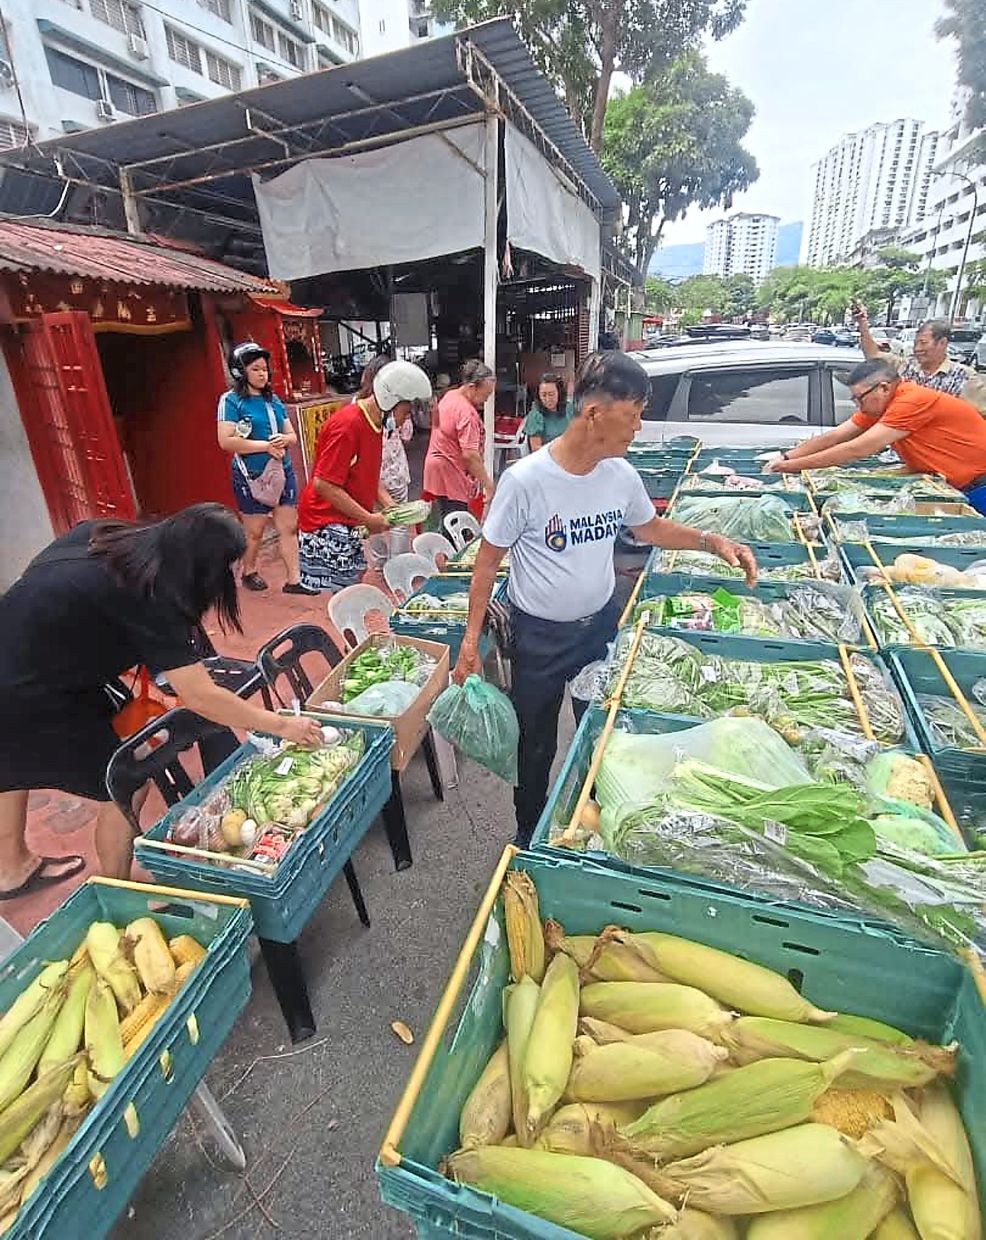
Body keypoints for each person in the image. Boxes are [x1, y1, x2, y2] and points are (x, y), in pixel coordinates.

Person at [453, 351, 757, 846]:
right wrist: (470, 639)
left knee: (605, 730)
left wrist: (711, 541)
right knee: (536, 745)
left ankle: (595, 825)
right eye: (633, 413)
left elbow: (650, 527)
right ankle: (529, 833)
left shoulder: (620, 475)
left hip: (599, 629)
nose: (638, 427)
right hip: (539, 639)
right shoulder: (526, 480)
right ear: (594, 412)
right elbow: (487, 560)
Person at [0, 504, 325, 895]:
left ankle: (10, 867)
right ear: (204, 571)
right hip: (34, 685)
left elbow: (48, 588)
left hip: (18, 649)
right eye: (232, 567)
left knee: (10, 757)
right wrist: (283, 724)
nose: (237, 575)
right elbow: (201, 696)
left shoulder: (114, 536)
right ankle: (117, 892)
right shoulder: (151, 596)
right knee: (125, 780)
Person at [770, 358, 986, 513]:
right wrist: (786, 457)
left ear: (883, 388)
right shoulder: (880, 406)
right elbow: (835, 436)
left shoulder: (911, 401)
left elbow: (857, 449)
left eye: (859, 398)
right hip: (957, 485)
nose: (857, 405)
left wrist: (790, 467)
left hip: (979, 484)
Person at [297, 360, 432, 592]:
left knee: (356, 576)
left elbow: (367, 473)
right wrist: (369, 519)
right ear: (391, 401)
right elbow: (324, 484)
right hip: (326, 521)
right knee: (348, 591)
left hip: (346, 518)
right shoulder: (348, 426)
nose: (405, 420)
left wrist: (390, 506)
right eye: (405, 412)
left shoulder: (376, 424)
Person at [216, 341, 316, 595]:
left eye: (264, 369)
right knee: (255, 532)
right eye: (256, 369)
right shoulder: (231, 401)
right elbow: (226, 440)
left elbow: (292, 435)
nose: (263, 374)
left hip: (282, 472)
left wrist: (285, 440)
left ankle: (295, 580)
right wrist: (264, 446)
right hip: (251, 475)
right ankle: (248, 571)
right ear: (241, 372)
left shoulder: (274, 401)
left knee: (289, 527)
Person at [852, 306, 986, 413]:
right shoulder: (905, 367)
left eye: (923, 343)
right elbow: (873, 355)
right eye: (915, 343)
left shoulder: (965, 378)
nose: (917, 349)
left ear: (942, 343)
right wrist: (863, 325)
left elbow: (979, 418)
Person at [423, 360, 497, 522]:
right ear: (472, 387)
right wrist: (488, 485)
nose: (485, 400)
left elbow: (436, 426)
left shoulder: (449, 396)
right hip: (451, 473)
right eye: (485, 395)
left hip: (434, 470)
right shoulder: (466, 414)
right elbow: (470, 455)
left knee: (440, 521)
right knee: (456, 526)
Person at [360, 355, 416, 570]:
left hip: (368, 475)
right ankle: (397, 565)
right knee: (398, 521)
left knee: (372, 519)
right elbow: (408, 434)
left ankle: (380, 561)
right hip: (394, 473)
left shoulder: (358, 403)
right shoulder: (396, 404)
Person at [525, 373, 574, 451]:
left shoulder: (570, 409)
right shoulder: (535, 416)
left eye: (551, 394)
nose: (548, 399)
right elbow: (536, 448)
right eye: (543, 395)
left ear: (559, 393)